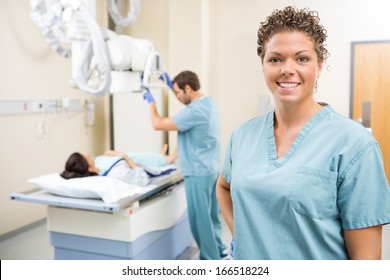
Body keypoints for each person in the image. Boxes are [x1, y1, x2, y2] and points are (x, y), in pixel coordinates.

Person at [216, 6, 390, 260]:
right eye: (275, 59)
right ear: (263, 66)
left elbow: (366, 263)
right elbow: (223, 187)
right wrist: (241, 238)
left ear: (319, 67)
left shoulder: (354, 144)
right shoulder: (243, 135)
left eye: (302, 58)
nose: (287, 69)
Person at [143, 70, 227, 260]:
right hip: (211, 169)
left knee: (200, 220)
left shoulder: (194, 111)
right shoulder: (210, 103)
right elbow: (193, 136)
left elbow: (158, 124)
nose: (178, 98)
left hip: (197, 173)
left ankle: (210, 259)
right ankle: (220, 250)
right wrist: (173, 155)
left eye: (178, 93)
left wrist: (152, 102)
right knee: (212, 215)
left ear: (188, 88)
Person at [60, 145, 177, 186]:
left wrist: (108, 154)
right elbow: (142, 179)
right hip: (140, 165)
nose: (87, 154)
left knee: (140, 155)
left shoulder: (96, 163)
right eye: (86, 157)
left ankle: (161, 156)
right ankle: (166, 159)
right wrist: (124, 157)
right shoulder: (116, 174)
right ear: (89, 168)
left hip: (131, 158)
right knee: (147, 159)